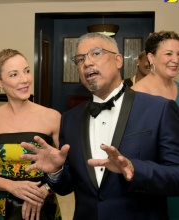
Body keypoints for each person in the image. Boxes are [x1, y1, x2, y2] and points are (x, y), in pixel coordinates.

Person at [20, 32, 179, 220]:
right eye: (80, 59)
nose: (86, 63)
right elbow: (67, 187)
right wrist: (57, 171)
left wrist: (134, 169)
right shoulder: (70, 119)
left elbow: (176, 176)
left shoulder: (159, 109)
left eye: (96, 53)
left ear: (118, 60)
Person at [0, 49, 62, 220]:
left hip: (43, 205)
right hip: (3, 207)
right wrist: (11, 186)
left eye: (27, 71)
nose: (25, 79)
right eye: (14, 74)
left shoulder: (52, 117)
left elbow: (69, 165)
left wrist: (45, 190)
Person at [132, 30, 179, 220]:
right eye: (168, 54)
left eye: (178, 54)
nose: (175, 60)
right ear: (151, 57)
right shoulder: (136, 96)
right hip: (157, 178)